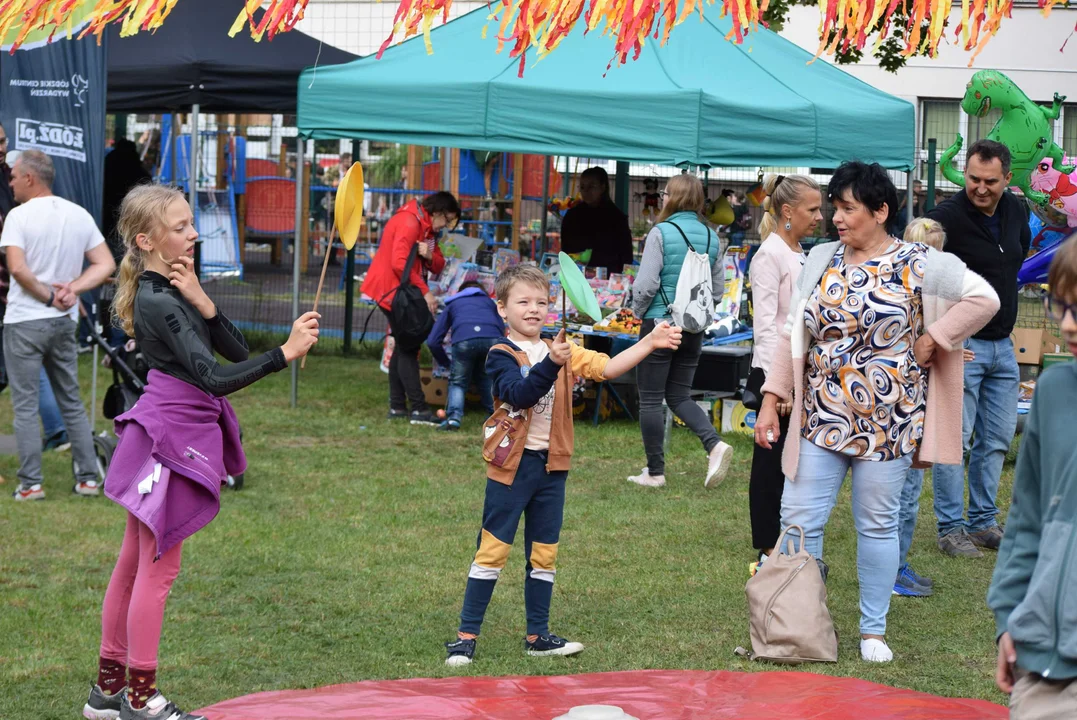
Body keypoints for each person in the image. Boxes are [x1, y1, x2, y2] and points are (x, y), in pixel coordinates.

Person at [81, 184, 319, 720]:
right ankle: (139, 699)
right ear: (147, 239)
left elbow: (232, 350)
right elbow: (215, 378)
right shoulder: (158, 299)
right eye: (181, 226)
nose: (194, 233)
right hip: (169, 439)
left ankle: (107, 693)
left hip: (165, 430)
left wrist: (206, 304)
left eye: (192, 222)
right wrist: (284, 353)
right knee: (155, 569)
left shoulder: (172, 290)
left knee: (133, 564)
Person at [754, 161, 999, 663]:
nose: (836, 219)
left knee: (878, 526)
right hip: (820, 420)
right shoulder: (821, 257)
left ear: (881, 210)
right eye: (834, 209)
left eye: (848, 209)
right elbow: (793, 334)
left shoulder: (922, 261)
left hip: (890, 425)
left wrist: (937, 336)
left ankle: (872, 631)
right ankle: (801, 622)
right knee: (798, 522)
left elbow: (986, 298)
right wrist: (771, 399)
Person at [443, 264, 681, 666]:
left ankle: (538, 636)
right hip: (511, 469)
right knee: (493, 550)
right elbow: (519, 394)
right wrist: (552, 363)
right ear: (502, 309)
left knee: (544, 553)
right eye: (523, 302)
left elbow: (607, 368)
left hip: (552, 469)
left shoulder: (563, 349)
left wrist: (650, 342)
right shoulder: (501, 354)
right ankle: (466, 637)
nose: (533, 309)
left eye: (542, 302)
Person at [926, 139, 1032, 559]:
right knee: (955, 440)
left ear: (1007, 178)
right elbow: (918, 274)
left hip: (1003, 346)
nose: (981, 188)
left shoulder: (1016, 211)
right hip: (962, 346)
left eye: (991, 181)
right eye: (973, 179)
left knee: (997, 438)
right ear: (963, 175)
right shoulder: (944, 219)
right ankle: (951, 529)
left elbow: (1016, 261)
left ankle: (984, 522)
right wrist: (942, 336)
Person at [988, 234, 1077, 718]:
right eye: (1058, 305)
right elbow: (1026, 519)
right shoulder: (1055, 390)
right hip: (1044, 660)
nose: (1065, 324)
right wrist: (1010, 620)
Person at [2, 150, 116, 501]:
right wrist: (72, 289)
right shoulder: (77, 214)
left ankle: (31, 484)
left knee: (24, 405)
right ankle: (87, 479)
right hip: (63, 323)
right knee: (71, 401)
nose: (10, 183)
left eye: (14, 177)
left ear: (30, 179)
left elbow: (18, 269)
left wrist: (49, 296)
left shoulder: (18, 217)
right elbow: (105, 264)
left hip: (24, 321)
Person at [628, 173, 732, 489]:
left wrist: (636, 311)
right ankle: (714, 444)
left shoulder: (660, 233)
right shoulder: (713, 236)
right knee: (678, 394)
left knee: (649, 399)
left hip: (660, 325)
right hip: (693, 326)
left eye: (664, 193)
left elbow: (646, 284)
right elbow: (716, 290)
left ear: (671, 197)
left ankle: (655, 472)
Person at [746, 173, 821, 560]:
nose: (821, 217)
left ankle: (787, 533)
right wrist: (777, 388)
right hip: (774, 373)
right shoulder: (769, 255)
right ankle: (766, 543)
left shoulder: (799, 253)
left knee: (791, 459)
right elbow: (766, 329)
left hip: (794, 372)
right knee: (770, 462)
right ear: (787, 211)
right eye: (813, 209)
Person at [362, 191, 459, 426]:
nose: (446, 225)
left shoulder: (426, 228)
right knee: (408, 346)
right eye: (447, 219)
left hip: (398, 292)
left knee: (403, 345)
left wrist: (427, 255)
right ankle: (417, 408)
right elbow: (398, 263)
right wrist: (424, 292)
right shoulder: (409, 221)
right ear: (437, 212)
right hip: (392, 292)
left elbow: (439, 263)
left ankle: (397, 406)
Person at [426, 281, 505, 431]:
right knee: (487, 378)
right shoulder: (490, 303)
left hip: (464, 340)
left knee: (458, 382)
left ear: (461, 291)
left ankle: (454, 419)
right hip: (492, 340)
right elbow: (501, 328)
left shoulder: (454, 303)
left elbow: (433, 340)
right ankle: (497, 416)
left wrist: (445, 363)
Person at [560, 167, 634, 273]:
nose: (586, 191)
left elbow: (626, 255)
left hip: (608, 278)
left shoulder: (616, 218)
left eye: (591, 186)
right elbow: (565, 249)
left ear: (603, 187)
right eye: (582, 187)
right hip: (578, 274)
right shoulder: (572, 215)